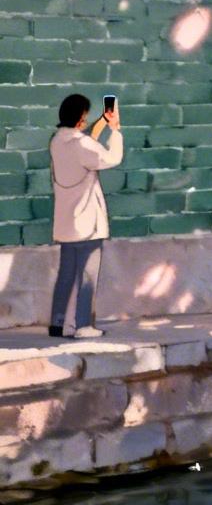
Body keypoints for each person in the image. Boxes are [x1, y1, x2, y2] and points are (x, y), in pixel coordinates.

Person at [48, 94, 122, 340]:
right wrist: (115, 131)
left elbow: (83, 138)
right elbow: (111, 158)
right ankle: (82, 325)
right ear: (81, 118)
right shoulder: (83, 146)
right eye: (86, 116)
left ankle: (57, 322)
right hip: (88, 223)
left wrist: (102, 121)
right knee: (87, 275)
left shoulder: (57, 141)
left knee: (66, 274)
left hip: (67, 223)